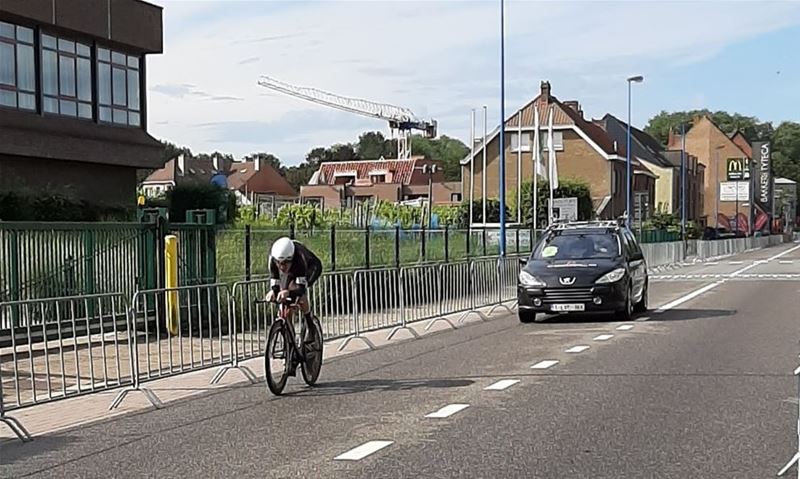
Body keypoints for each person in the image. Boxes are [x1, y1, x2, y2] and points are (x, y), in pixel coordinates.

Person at [266, 237, 323, 375]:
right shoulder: (273, 260)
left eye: (285, 263)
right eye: (279, 263)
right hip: (291, 272)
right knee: (284, 304)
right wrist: (273, 292)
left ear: (291, 259)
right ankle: (290, 345)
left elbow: (300, 288)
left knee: (299, 297)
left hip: (310, 268)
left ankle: (310, 323)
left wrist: (290, 292)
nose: (282, 266)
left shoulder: (299, 259)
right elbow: (275, 280)